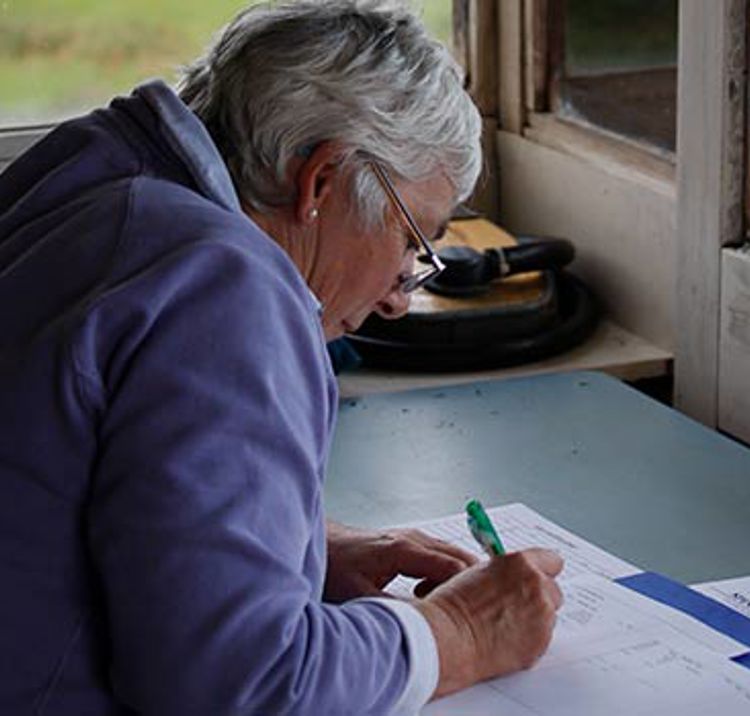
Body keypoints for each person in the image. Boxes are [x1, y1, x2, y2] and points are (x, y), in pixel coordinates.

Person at [0, 1, 563, 713]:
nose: (398, 299)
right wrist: (456, 631)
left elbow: (57, 482)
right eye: (412, 242)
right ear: (322, 182)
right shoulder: (226, 288)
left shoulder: (95, 171)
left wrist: (297, 551)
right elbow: (237, 687)